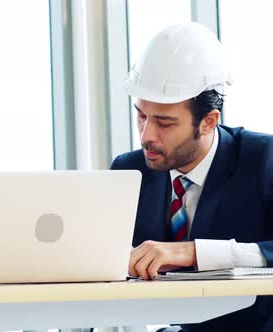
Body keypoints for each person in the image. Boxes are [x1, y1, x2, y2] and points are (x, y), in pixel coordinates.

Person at [111, 22, 273, 331]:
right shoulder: (128, 172)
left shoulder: (264, 159)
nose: (147, 136)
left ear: (208, 121)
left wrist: (195, 252)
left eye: (165, 123)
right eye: (141, 115)